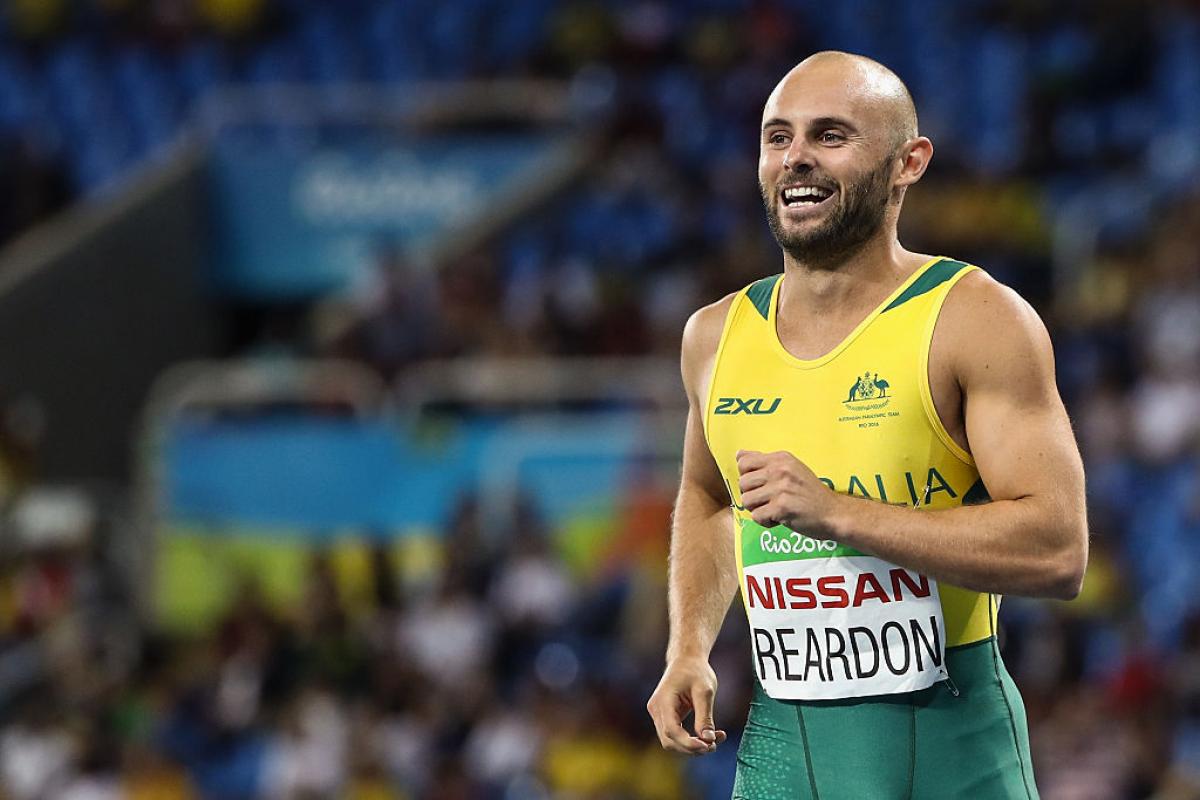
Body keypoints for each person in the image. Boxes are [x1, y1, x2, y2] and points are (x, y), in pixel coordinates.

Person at [645, 51, 1088, 799]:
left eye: (830, 135)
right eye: (777, 137)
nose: (796, 159)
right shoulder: (715, 335)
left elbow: (1058, 548)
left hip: (949, 749)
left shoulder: (973, 319)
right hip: (787, 753)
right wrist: (687, 645)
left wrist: (839, 514)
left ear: (907, 162)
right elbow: (712, 498)